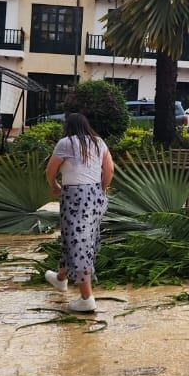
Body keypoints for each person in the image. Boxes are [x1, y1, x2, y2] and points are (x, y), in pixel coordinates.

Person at [43, 113, 115, 312]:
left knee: (79, 241)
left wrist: (54, 186)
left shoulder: (65, 143)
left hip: (74, 196)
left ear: (68, 127)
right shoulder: (99, 142)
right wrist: (101, 189)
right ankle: (60, 278)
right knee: (76, 237)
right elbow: (109, 170)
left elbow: (50, 170)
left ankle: (86, 297)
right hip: (96, 196)